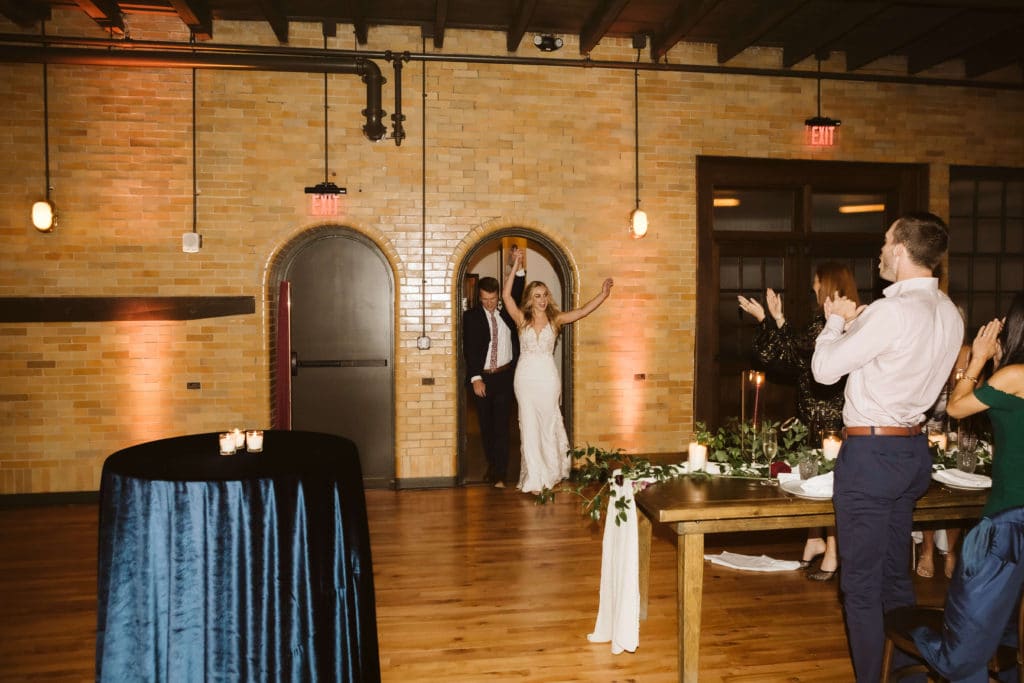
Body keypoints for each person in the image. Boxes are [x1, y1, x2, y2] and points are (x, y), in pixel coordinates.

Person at [810, 212, 964, 682]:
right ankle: (904, 673)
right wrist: (860, 326)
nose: (879, 251)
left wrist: (836, 324)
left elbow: (824, 372)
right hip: (913, 454)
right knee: (896, 576)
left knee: (858, 586)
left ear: (899, 250)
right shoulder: (949, 312)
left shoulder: (890, 312)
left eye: (883, 242)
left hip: (872, 457)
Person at [911, 292, 1024, 681]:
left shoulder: (1015, 377)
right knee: (1008, 622)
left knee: (963, 636)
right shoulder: (1011, 377)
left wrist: (975, 359)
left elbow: (957, 408)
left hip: (1010, 522)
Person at [738, 261, 859, 582]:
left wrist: (772, 319)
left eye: (817, 287)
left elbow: (794, 352)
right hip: (813, 413)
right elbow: (792, 357)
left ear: (830, 286)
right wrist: (774, 319)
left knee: (829, 483)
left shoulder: (845, 323)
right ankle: (815, 539)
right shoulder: (823, 323)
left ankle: (833, 551)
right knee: (813, 478)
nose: (815, 292)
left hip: (831, 416)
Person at [502, 249, 613, 494]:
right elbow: (506, 296)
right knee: (529, 426)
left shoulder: (556, 320)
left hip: (548, 379)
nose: (542, 299)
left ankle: (550, 474)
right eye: (537, 295)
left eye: (545, 295)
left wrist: (603, 295)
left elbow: (582, 311)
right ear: (530, 299)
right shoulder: (522, 320)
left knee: (548, 423)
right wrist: (516, 264)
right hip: (525, 379)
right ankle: (534, 478)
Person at [463, 258, 525, 488]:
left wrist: (518, 268)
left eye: (493, 299)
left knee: (501, 426)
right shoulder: (471, 317)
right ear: (479, 298)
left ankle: (500, 473)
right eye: (485, 300)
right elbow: (469, 349)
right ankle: (491, 464)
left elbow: (516, 293)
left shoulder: (507, 313)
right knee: (486, 427)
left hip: (505, 376)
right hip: (483, 377)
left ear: (499, 296)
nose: (489, 304)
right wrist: (475, 377)